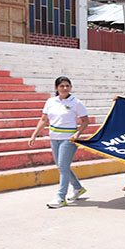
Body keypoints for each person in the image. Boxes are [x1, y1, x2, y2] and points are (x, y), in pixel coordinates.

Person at [29, 76, 89, 208]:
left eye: (67, 86)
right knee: (62, 166)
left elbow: (85, 120)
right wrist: (34, 135)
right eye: (62, 86)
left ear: (71, 87)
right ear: (56, 88)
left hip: (68, 139)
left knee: (62, 167)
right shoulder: (51, 101)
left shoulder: (76, 102)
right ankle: (78, 188)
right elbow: (44, 120)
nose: (65, 88)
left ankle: (61, 197)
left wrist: (78, 133)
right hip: (54, 138)